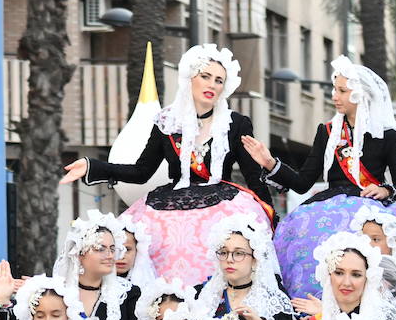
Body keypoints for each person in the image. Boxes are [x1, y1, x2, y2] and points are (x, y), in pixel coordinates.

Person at [247, 55, 396, 300]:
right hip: (328, 204)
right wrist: (270, 163)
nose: (335, 96)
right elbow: (303, 183)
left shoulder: (387, 135)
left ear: (361, 94)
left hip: (373, 207)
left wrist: (387, 191)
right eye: (336, 89)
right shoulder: (326, 132)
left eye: (342, 91)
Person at [61, 44, 274, 285]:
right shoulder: (166, 121)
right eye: (205, 76)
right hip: (167, 206)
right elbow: (141, 172)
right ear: (189, 79)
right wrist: (92, 167)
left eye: (218, 80)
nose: (212, 85)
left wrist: (269, 216)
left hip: (224, 207)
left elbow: (253, 175)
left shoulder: (236, 123)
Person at [193, 214, 295, 320]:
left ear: (255, 259)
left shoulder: (274, 302)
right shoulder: (202, 295)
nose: (229, 259)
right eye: (224, 252)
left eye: (239, 253)